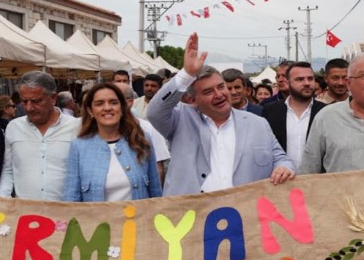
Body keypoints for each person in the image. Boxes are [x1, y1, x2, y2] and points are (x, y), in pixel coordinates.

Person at [147, 32, 295, 196]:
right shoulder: (181, 119)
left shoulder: (258, 123)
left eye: (221, 86)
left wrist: (283, 167)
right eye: (208, 91)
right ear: (193, 100)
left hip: (245, 214)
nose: (219, 94)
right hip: (192, 215)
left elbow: (281, 158)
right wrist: (187, 75)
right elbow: (154, 111)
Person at [63, 83, 162, 202]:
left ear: (122, 107)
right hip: (96, 220)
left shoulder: (142, 140)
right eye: (99, 103)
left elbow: (155, 193)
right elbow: (71, 198)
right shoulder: (78, 147)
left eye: (113, 102)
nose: (107, 108)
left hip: (138, 219)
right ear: (90, 111)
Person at [0, 71, 80, 200]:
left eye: (36, 101)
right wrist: (2, 200)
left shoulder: (76, 127)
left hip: (65, 214)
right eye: (24, 102)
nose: (29, 108)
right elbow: (8, 170)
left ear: (53, 98)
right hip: (24, 214)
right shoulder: (14, 127)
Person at [263, 62, 326, 172]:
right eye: (300, 79)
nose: (307, 83)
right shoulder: (270, 111)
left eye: (310, 79)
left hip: (316, 182)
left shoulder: (325, 112)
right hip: (280, 181)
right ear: (288, 82)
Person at [115, 82, 170, 185]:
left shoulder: (149, 129)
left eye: (114, 101)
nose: (108, 107)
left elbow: (158, 170)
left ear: (129, 102)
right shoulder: (94, 132)